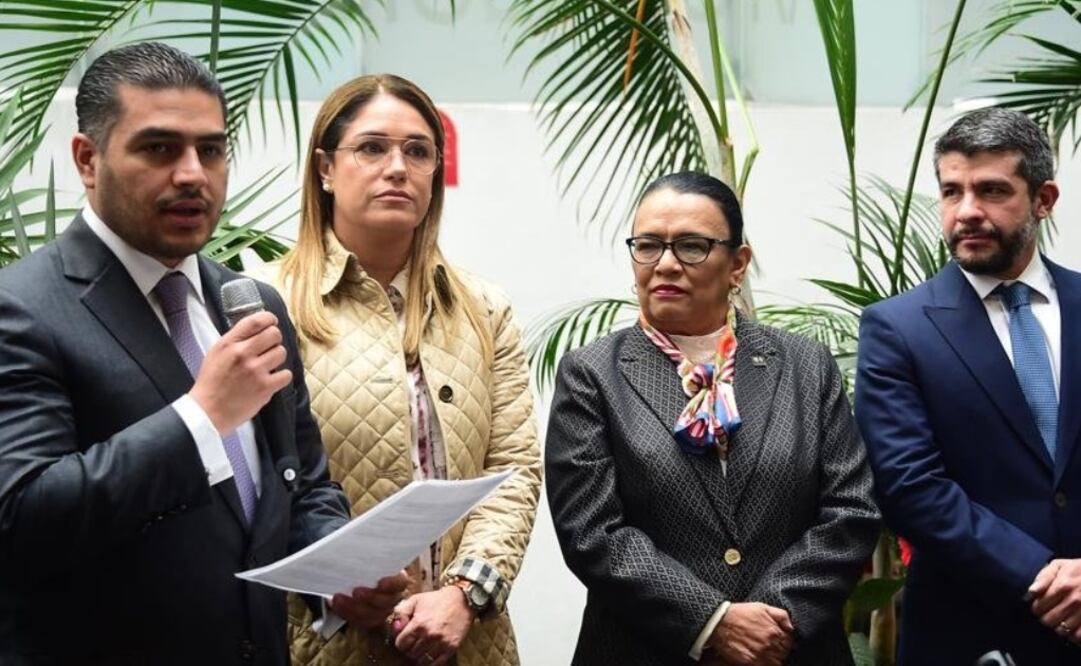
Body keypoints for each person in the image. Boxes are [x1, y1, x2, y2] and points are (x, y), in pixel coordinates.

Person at [0, 43, 354, 665]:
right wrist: (201, 417)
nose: (193, 174)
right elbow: (21, 520)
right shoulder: (21, 308)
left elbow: (299, 485)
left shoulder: (251, 303)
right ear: (87, 159)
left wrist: (342, 575)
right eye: (160, 148)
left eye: (210, 150)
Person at [250, 73, 541, 666]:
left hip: (468, 641)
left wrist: (465, 594)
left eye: (418, 151)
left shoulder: (484, 308)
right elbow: (251, 485)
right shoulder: (267, 302)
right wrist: (337, 585)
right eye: (372, 148)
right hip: (324, 642)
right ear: (325, 168)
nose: (398, 167)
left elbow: (513, 470)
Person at [545, 171, 880, 665]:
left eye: (691, 247)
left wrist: (771, 621)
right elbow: (592, 532)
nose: (665, 264)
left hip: (789, 650)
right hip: (644, 650)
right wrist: (712, 622)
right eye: (648, 245)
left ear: (737, 264)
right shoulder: (592, 374)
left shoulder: (804, 365)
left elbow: (851, 510)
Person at [856, 107, 1081, 664]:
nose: (968, 211)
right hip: (968, 635)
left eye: (992, 190)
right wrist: (1047, 578)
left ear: (1044, 199)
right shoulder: (897, 329)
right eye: (952, 191)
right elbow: (909, 486)